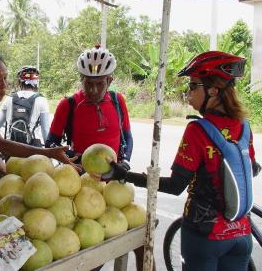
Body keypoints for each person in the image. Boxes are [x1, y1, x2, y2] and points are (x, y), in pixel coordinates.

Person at [106, 51, 261, 271]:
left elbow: (175, 186)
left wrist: (123, 175)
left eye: (193, 86)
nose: (187, 93)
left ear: (213, 90)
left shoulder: (198, 130)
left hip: (205, 236)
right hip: (241, 235)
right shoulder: (244, 126)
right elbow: (251, 167)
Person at [45, 45, 148, 270]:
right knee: (91, 250)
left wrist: (125, 163)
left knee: (139, 237)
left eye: (99, 83)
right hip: (81, 183)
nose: (93, 89)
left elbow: (127, 138)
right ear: (81, 79)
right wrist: (79, 160)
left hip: (115, 181)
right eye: (88, 83)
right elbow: (51, 143)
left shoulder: (118, 101)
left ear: (109, 80)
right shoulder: (68, 105)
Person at [0, 66, 50, 147]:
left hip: (11, 147)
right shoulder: (41, 100)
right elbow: (45, 130)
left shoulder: (9, 98)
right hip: (33, 149)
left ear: (20, 81)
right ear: (36, 81)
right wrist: (49, 150)